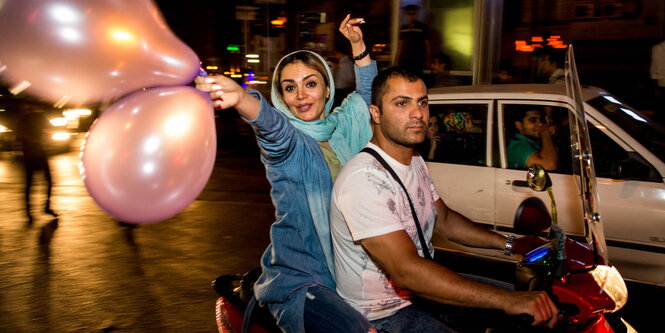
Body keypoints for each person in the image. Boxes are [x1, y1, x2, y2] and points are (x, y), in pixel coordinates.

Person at [330, 67, 559, 332]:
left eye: (422, 102)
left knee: (540, 307)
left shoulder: (414, 160)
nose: (417, 114)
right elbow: (406, 271)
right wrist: (507, 301)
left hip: (419, 292)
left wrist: (512, 244)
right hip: (384, 314)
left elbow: (446, 220)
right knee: (510, 300)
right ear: (376, 114)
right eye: (402, 103)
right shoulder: (364, 180)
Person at [196, 15, 377, 332]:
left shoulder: (341, 128)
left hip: (352, 269)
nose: (301, 95)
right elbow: (271, 127)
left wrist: (358, 45)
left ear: (326, 87)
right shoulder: (290, 142)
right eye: (289, 88)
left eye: (310, 83)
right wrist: (241, 98)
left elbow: (365, 96)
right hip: (304, 276)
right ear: (281, 96)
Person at [15, 105, 58, 224]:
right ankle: (30, 211)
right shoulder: (24, 119)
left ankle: (44, 207)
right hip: (30, 154)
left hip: (39, 153)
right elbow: (18, 136)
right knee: (31, 183)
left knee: (46, 181)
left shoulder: (37, 117)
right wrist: (29, 138)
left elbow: (50, 126)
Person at [506, 106, 558, 171]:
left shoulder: (533, 141)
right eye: (533, 120)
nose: (540, 124)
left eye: (540, 120)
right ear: (519, 125)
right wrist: (545, 133)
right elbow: (549, 165)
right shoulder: (516, 147)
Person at [394, 4, 431, 76]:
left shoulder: (422, 27)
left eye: (413, 14)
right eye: (409, 14)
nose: (411, 16)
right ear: (406, 15)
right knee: (405, 76)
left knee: (416, 76)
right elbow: (400, 46)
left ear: (416, 15)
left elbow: (427, 44)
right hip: (405, 59)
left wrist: (428, 59)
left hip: (418, 59)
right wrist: (396, 60)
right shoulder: (404, 28)